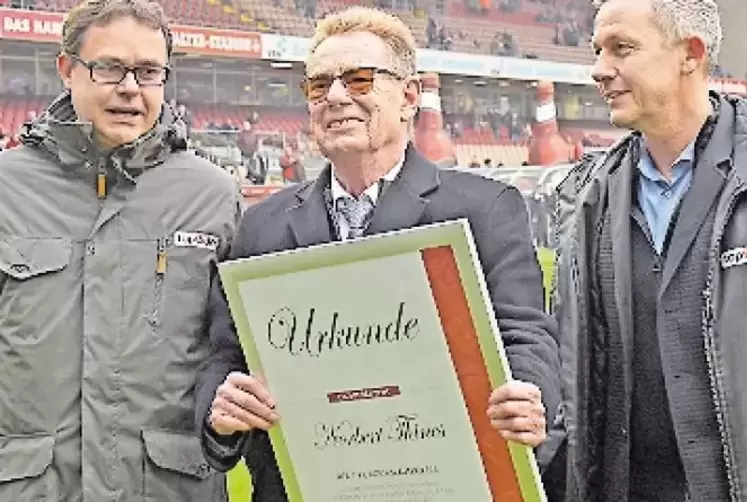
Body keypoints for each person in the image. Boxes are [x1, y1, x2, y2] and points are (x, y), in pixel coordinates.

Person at [195, 7, 561, 501]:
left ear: (409, 97)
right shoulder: (260, 225)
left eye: (359, 79)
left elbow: (524, 334)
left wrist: (528, 394)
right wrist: (222, 409)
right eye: (319, 85)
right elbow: (227, 354)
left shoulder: (484, 209)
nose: (337, 96)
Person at [0, 0, 240, 500]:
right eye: (109, 68)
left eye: (148, 72)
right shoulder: (6, 189)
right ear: (67, 69)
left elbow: (234, 353)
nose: (130, 88)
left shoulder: (213, 197)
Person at [549, 0, 747, 500]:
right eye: (597, 50)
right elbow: (571, 367)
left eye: (622, 49)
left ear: (691, 53)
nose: (600, 69)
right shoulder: (583, 198)